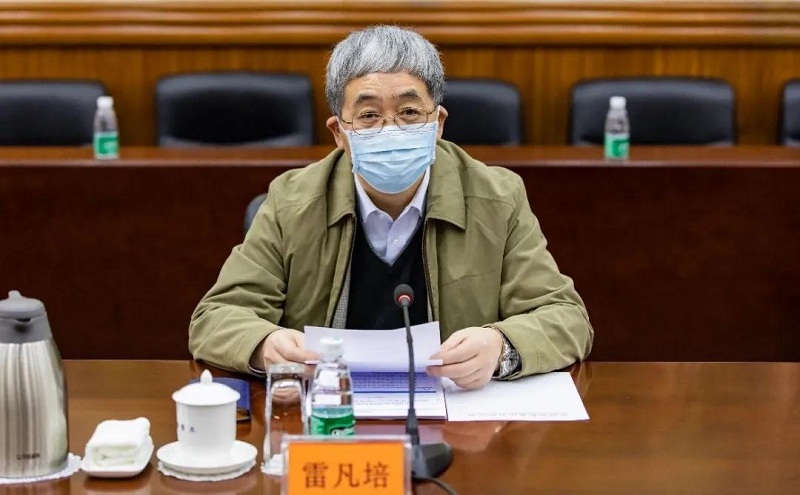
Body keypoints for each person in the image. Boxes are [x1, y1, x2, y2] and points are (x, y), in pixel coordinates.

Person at [189, 25, 593, 389]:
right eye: (368, 115)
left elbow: (566, 318)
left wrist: (500, 346)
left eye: (409, 112)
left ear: (438, 123)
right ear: (339, 132)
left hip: (456, 418)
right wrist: (265, 344)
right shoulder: (291, 201)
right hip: (330, 415)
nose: (391, 129)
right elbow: (216, 317)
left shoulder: (497, 198)